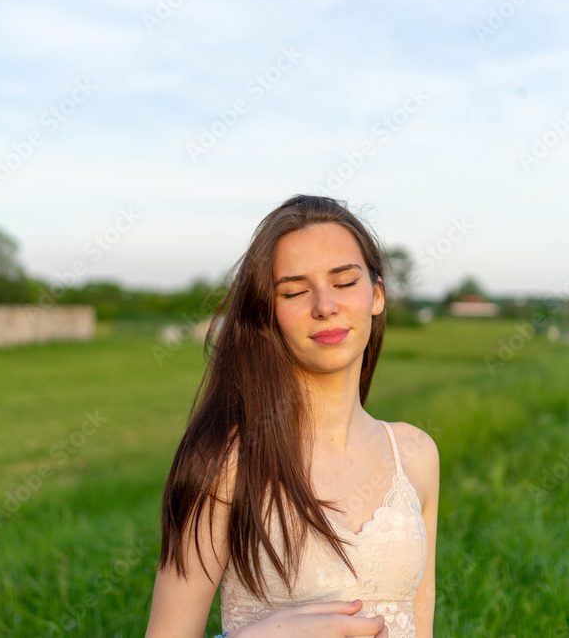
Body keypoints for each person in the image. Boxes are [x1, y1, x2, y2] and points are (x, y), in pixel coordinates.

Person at [145, 195, 439, 638]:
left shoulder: (415, 454)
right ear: (269, 313)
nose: (325, 305)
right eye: (295, 291)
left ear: (376, 296)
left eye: (344, 282)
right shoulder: (226, 463)